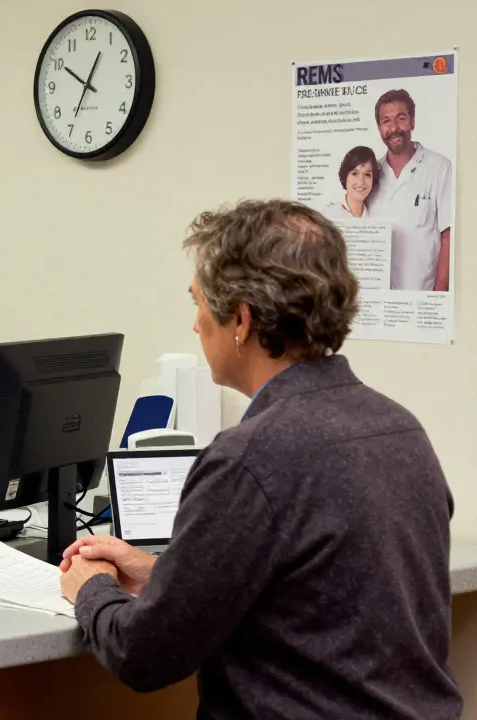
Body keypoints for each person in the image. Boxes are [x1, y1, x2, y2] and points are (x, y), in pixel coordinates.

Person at [59, 199, 461, 719]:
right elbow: (312, 596)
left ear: (241, 320)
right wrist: (161, 574)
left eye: (199, 302)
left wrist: (90, 588)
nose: (196, 324)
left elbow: (146, 655)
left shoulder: (248, 459)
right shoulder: (400, 428)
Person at [365, 89, 454, 291]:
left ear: (412, 121)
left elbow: (448, 233)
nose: (394, 127)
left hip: (422, 295)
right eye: (386, 121)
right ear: (379, 128)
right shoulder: (371, 174)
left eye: (401, 118)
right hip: (380, 298)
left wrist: (438, 295)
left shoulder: (439, 167)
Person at [322, 145, 378, 219]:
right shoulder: (330, 214)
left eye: (367, 174)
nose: (361, 182)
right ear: (345, 176)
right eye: (355, 173)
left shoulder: (373, 217)